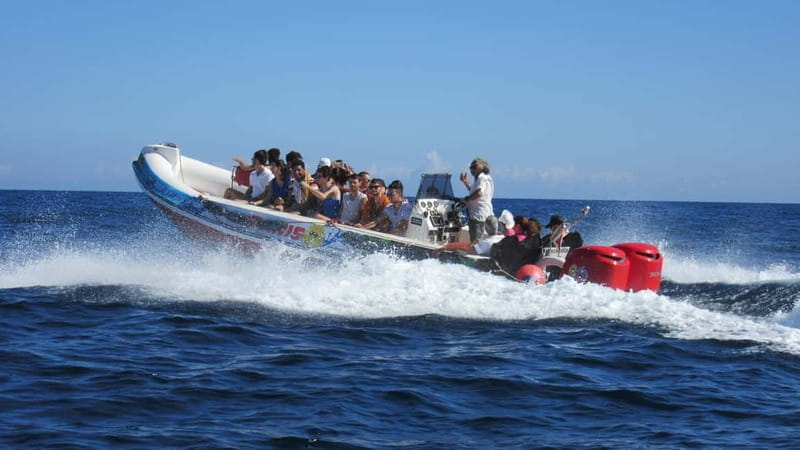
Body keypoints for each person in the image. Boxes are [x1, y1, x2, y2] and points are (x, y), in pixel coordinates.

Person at [458, 157, 494, 241]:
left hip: (479, 216)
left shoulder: (482, 178)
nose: (471, 170)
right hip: (485, 214)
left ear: (478, 168)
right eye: (471, 168)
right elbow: (473, 190)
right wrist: (465, 181)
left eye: (473, 168)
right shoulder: (483, 178)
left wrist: (466, 199)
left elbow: (479, 193)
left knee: (476, 241)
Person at [440, 215, 504, 256]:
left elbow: (467, 249)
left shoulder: (486, 243)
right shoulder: (503, 238)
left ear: (486, 229)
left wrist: (446, 247)